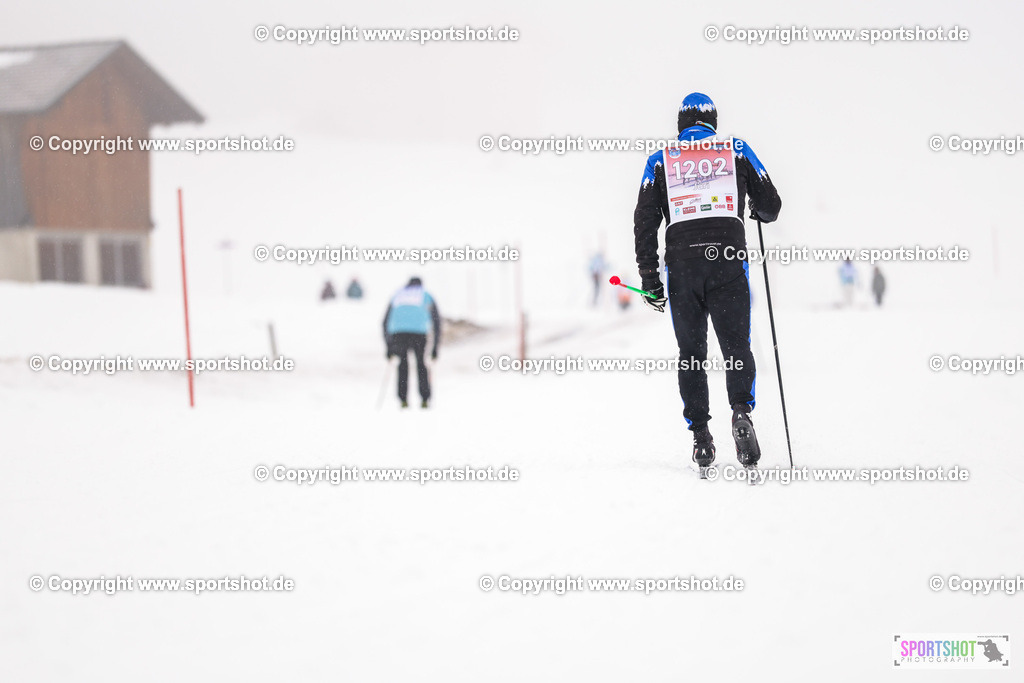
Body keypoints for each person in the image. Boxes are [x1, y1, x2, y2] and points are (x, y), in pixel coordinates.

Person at [632, 92, 782, 470]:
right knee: (736, 346)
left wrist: (650, 278)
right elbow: (771, 206)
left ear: (681, 125)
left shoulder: (660, 161)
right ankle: (740, 413)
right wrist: (755, 207)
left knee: (691, 355)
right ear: (712, 121)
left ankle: (701, 437)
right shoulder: (736, 149)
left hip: (682, 268)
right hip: (728, 263)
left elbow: (644, 223)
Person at [383, 277, 441, 408]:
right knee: (421, 364)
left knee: (402, 365)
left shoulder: (397, 295)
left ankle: (403, 399)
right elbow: (437, 321)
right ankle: (425, 398)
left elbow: (385, 321)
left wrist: (389, 346)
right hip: (419, 333)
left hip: (398, 333)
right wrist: (435, 348)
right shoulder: (425, 294)